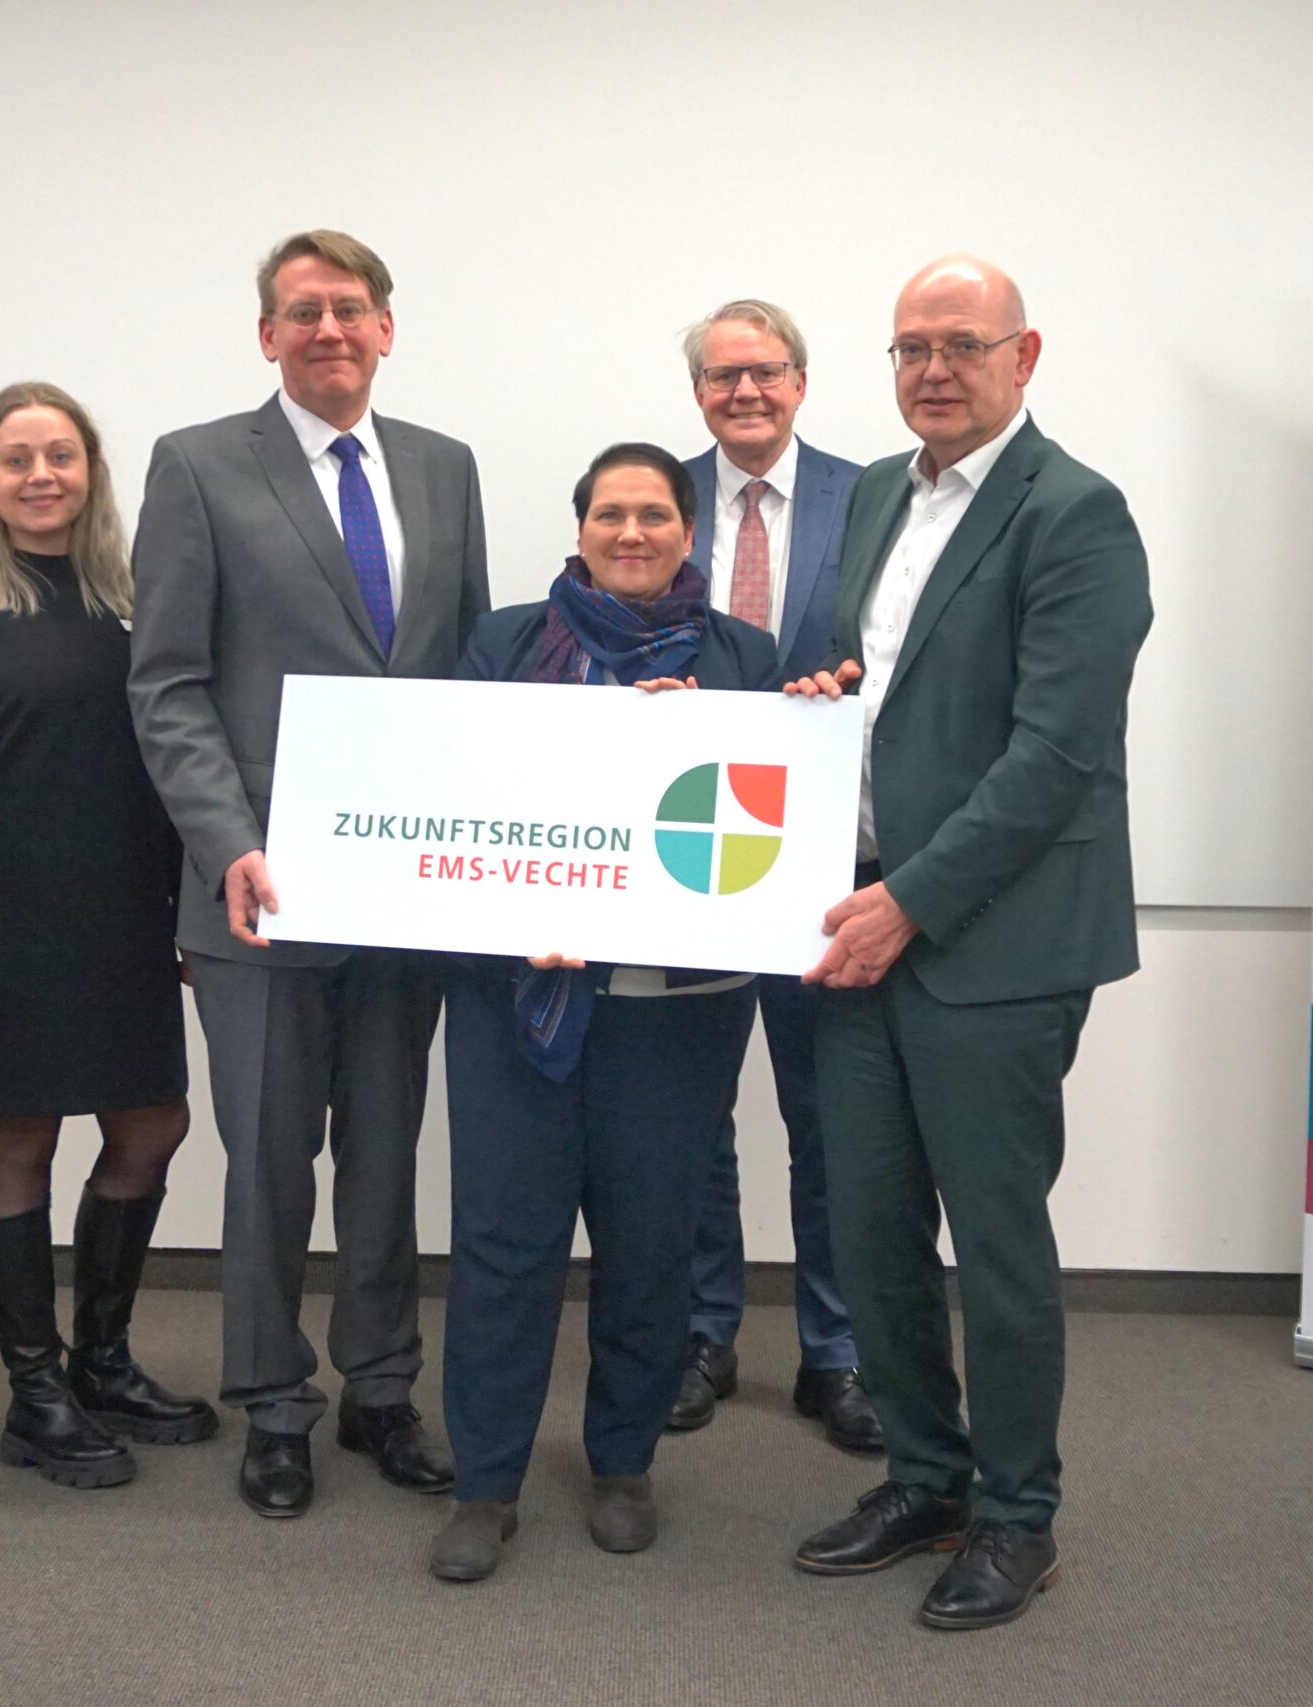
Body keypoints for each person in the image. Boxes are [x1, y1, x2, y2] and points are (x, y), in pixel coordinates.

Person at [785, 258, 1151, 1631]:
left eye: (960, 343)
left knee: (995, 1243)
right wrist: (826, 698)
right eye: (909, 347)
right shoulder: (881, 496)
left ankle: (1015, 1516)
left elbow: (1055, 754)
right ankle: (926, 1479)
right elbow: (883, 686)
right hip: (861, 921)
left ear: (1023, 355)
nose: (932, 369)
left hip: (992, 940)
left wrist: (912, 901)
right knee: (872, 1229)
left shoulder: (1077, 512)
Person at [128, 230, 489, 1517]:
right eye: (302, 311)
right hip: (260, 886)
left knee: (386, 1153)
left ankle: (380, 1389)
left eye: (349, 308)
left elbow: (467, 674)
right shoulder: (197, 465)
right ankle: (272, 1404)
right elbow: (167, 683)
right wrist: (228, 842)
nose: (328, 329)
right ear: (267, 335)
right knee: (271, 1159)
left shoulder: (445, 468)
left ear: (386, 327)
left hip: (408, 887)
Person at [425, 443, 779, 1583]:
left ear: (689, 531)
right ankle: (486, 1483)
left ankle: (623, 1463)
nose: (633, 532)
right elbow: (457, 793)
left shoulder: (746, 657)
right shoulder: (505, 643)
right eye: (610, 514)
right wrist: (504, 908)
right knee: (502, 1245)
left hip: (674, 1016)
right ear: (578, 529)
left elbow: (772, 826)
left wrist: (717, 730)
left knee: (650, 1240)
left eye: (655, 514)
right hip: (515, 999)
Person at [0, 382, 210, 1493]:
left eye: (60, 454)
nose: (41, 475)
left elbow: (165, 762)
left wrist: (188, 905)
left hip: (122, 921)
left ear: (91, 470)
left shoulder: (125, 598)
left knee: (153, 1121)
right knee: (20, 1138)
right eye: (16, 458)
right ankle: (35, 1392)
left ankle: (101, 1361)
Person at [669, 299, 878, 1453]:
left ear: (800, 381)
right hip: (690, 858)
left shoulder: (876, 496)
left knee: (829, 1119)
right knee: (694, 1118)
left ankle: (836, 1354)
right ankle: (702, 1333)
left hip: (829, 862)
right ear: (697, 390)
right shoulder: (658, 497)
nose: (744, 392)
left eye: (765, 372)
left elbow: (911, 643)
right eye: (722, 375)